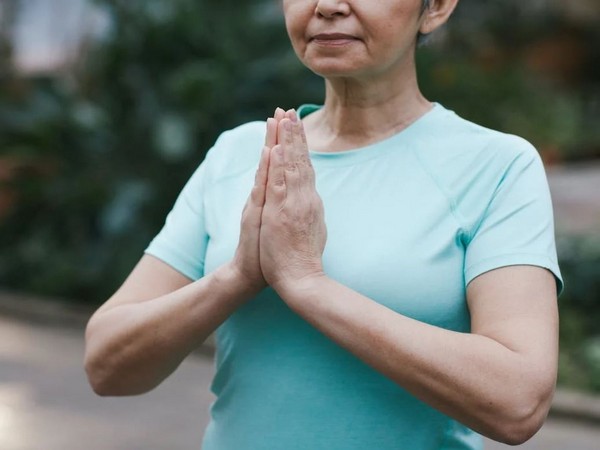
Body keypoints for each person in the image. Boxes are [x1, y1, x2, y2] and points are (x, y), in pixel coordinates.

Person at [84, 0, 563, 449]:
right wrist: (236, 277)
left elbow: (518, 402)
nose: (328, 6)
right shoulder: (240, 153)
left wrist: (306, 284)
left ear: (435, 7)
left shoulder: (495, 166)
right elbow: (107, 365)